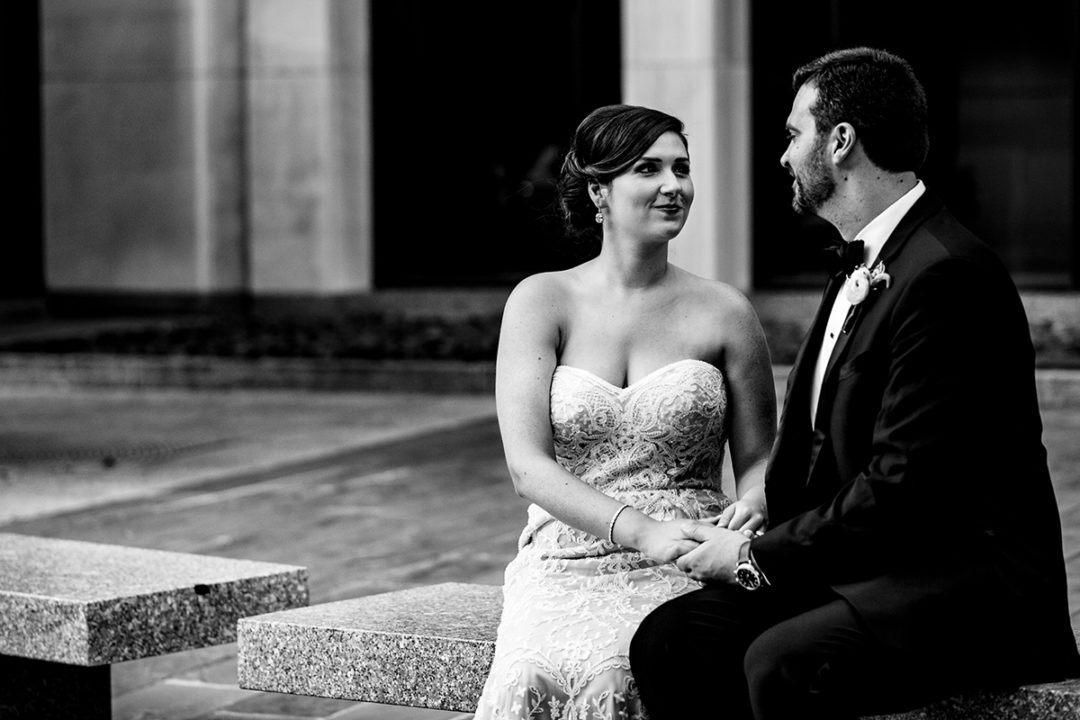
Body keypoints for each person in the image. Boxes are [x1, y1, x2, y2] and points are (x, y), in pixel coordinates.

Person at [629, 46, 1080, 720]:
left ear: (840, 142)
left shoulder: (947, 274)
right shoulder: (863, 263)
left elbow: (905, 484)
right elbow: (822, 440)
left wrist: (755, 557)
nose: (783, 156)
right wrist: (764, 508)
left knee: (785, 664)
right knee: (674, 640)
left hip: (964, 586)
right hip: (870, 565)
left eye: (792, 134)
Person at [473, 104, 778, 719]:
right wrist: (640, 530)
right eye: (648, 169)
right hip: (567, 550)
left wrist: (752, 505)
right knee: (530, 674)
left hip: (691, 552)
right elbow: (527, 467)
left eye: (682, 168)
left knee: (621, 672)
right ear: (598, 191)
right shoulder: (542, 300)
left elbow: (760, 456)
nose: (675, 186)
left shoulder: (725, 311)